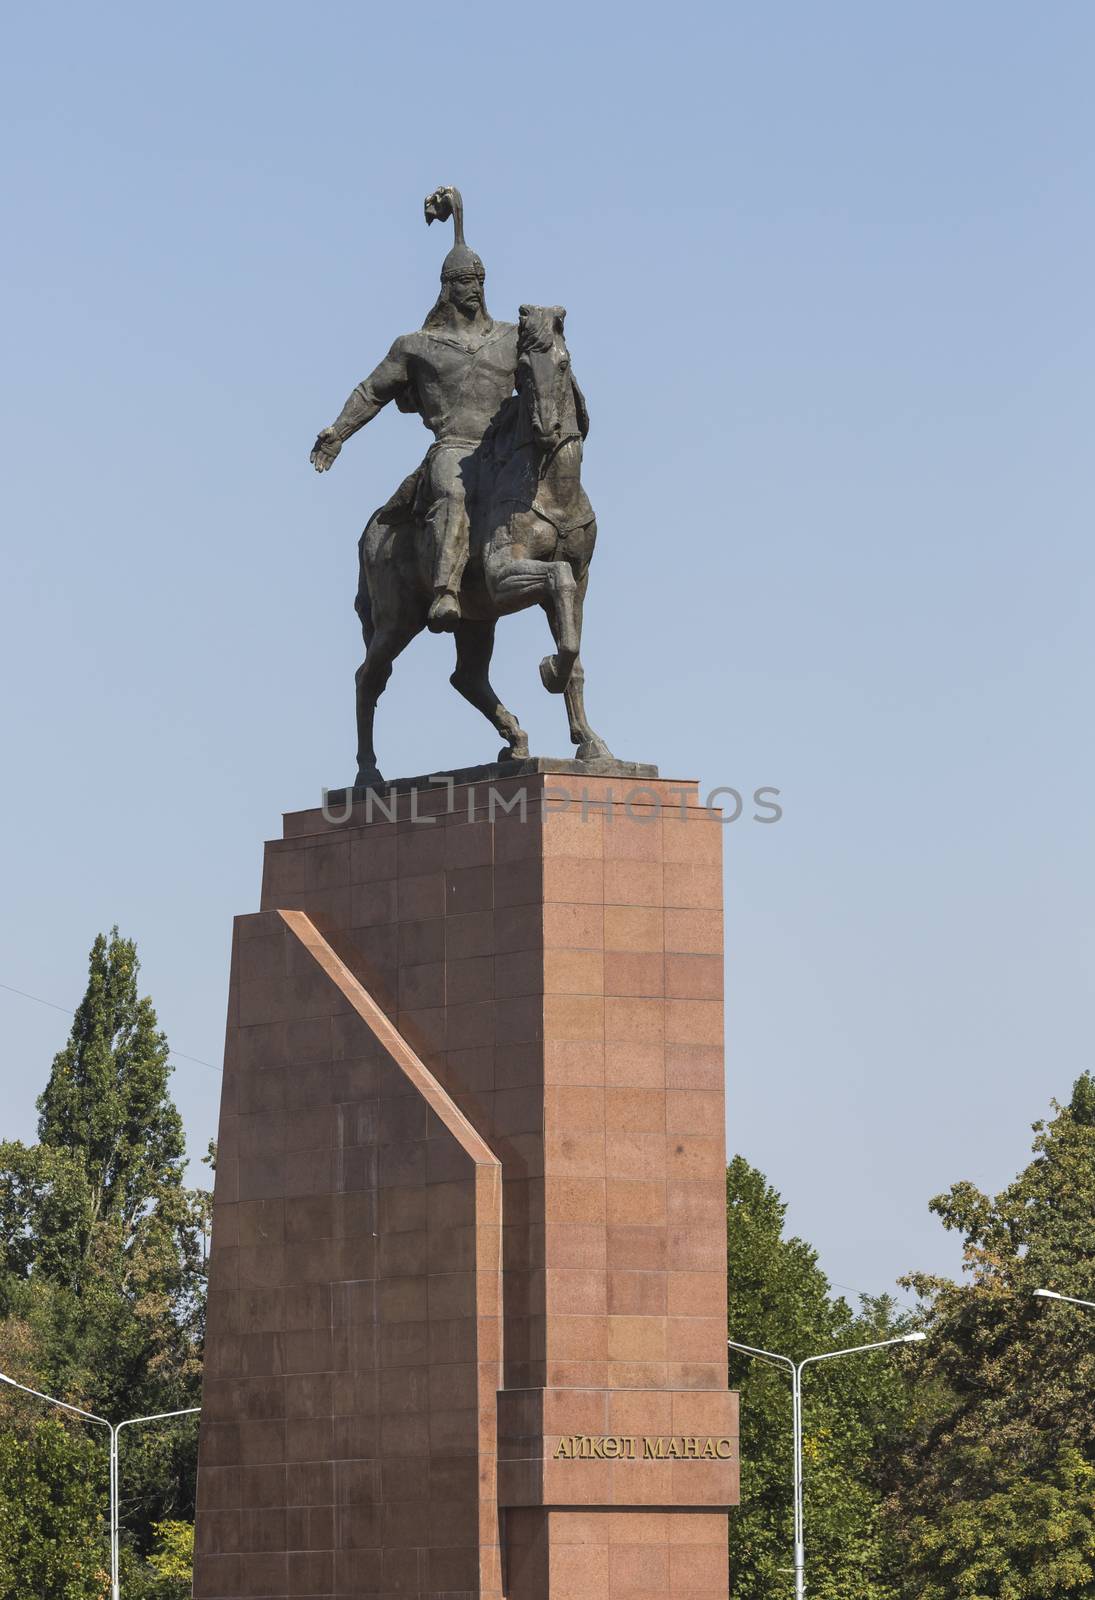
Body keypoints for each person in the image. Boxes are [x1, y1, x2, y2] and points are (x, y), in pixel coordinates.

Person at [310, 187, 518, 631]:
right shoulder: (418, 347)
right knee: (453, 491)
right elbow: (371, 392)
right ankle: (445, 588)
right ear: (446, 288)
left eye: (480, 281)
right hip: (455, 448)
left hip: (503, 449)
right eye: (465, 282)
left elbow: (546, 376)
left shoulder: (511, 338)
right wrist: (338, 433)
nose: (474, 289)